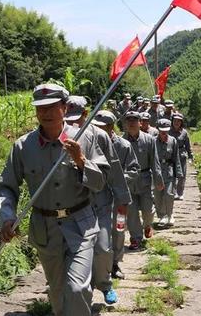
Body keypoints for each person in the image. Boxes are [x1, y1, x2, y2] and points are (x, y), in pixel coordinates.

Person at [0, 83, 109, 316]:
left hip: (81, 224)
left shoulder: (87, 137)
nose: (45, 112)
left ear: (64, 107)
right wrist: (7, 216)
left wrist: (81, 161)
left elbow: (100, 182)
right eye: (40, 107)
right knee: (58, 295)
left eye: (51, 106)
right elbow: (6, 186)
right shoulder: (23, 147)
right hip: (45, 228)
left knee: (77, 289)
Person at [65, 96, 131, 304]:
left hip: (100, 202)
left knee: (102, 247)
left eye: (78, 118)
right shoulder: (59, 136)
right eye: (69, 119)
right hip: (72, 205)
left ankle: (105, 284)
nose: (74, 123)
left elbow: (113, 169)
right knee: (74, 251)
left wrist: (122, 199)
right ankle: (81, 290)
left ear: (86, 115)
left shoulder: (99, 136)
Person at [91, 110, 140, 279]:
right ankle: (96, 267)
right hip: (97, 197)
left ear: (111, 127)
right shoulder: (90, 143)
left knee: (119, 230)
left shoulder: (124, 146)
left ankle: (115, 264)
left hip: (119, 198)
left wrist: (118, 178)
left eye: (102, 127)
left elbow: (134, 169)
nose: (98, 130)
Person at [122, 111, 163, 250]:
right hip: (128, 181)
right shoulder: (121, 141)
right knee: (132, 211)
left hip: (145, 179)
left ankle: (147, 225)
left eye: (135, 120)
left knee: (148, 209)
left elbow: (155, 161)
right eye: (129, 120)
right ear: (125, 124)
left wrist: (158, 179)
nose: (132, 123)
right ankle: (136, 238)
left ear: (140, 123)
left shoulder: (149, 140)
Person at [153, 118, 183, 227]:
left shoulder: (173, 141)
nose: (164, 133)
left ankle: (170, 215)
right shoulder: (153, 141)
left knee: (169, 194)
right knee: (158, 196)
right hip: (157, 172)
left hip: (169, 171)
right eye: (162, 131)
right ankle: (162, 216)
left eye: (166, 131)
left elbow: (176, 158)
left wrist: (178, 173)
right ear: (158, 130)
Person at [169, 113, 193, 200]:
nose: (176, 123)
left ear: (181, 122)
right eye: (175, 121)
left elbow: (188, 146)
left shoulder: (184, 132)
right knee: (172, 175)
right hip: (171, 155)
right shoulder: (168, 131)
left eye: (179, 121)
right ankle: (173, 192)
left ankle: (180, 193)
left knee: (182, 176)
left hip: (181, 155)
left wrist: (190, 156)